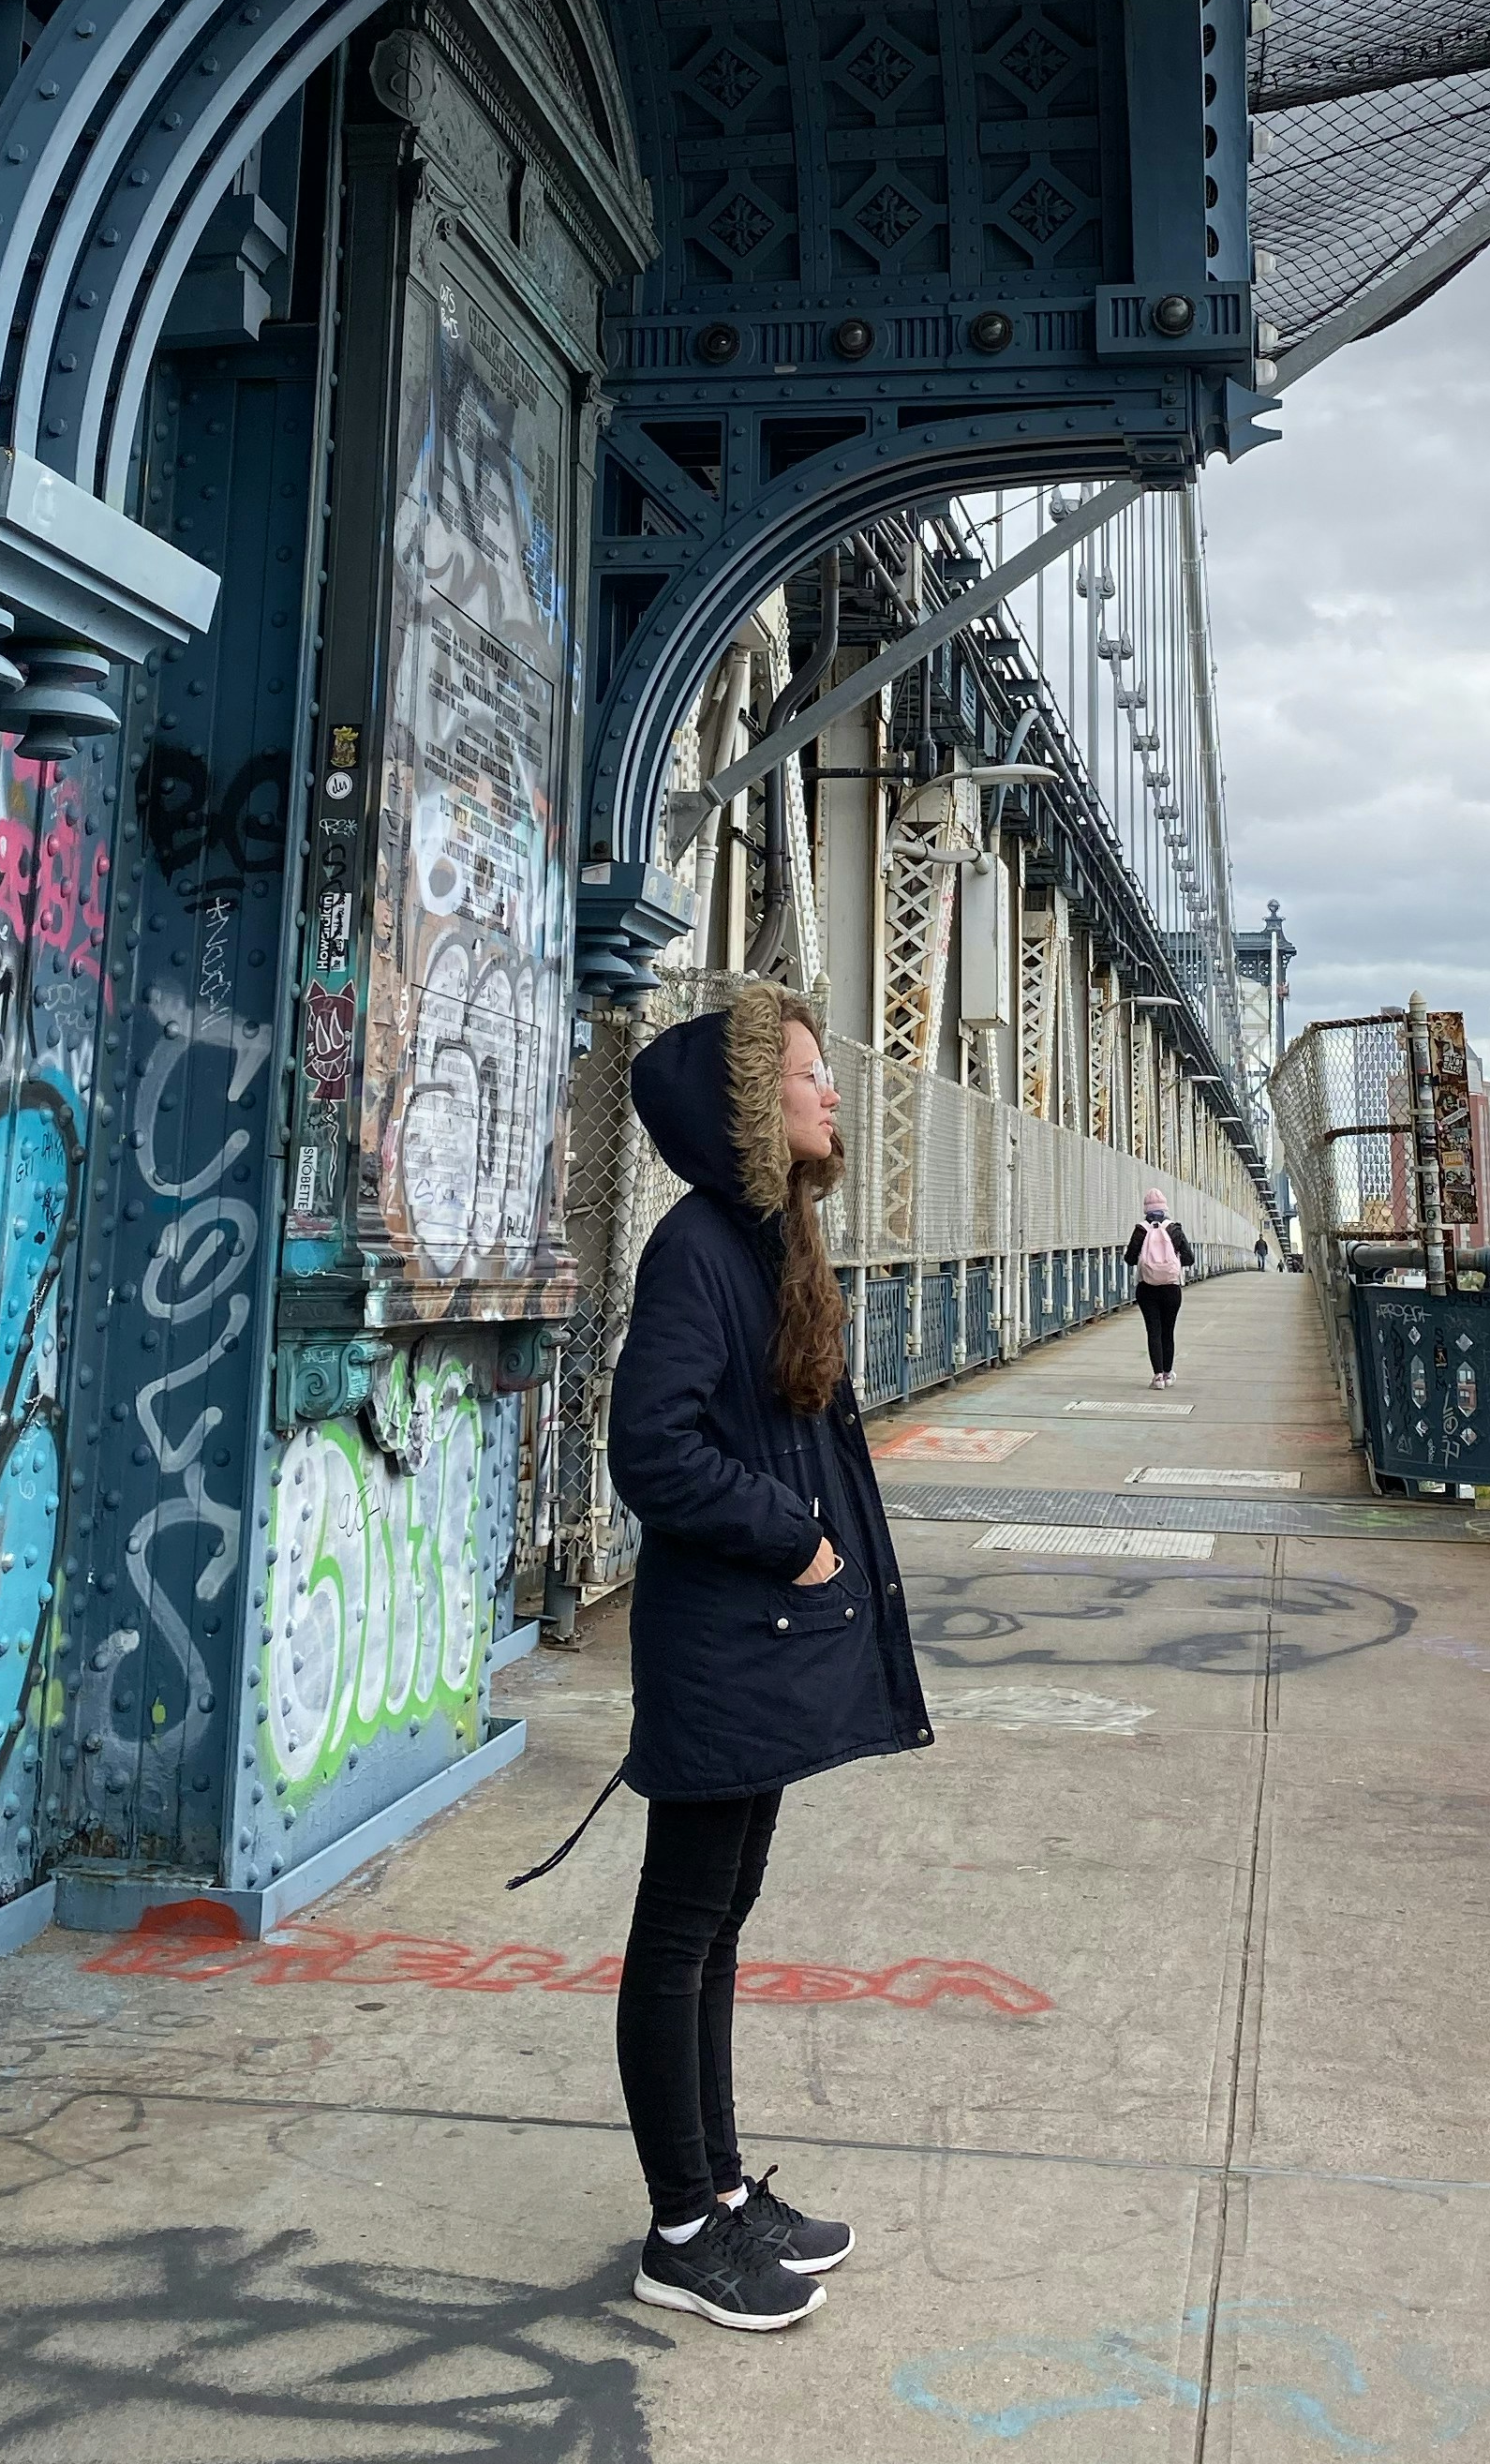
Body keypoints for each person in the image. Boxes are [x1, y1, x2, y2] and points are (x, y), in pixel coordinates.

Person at [604, 980, 932, 2332]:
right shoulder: (698, 1250)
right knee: (680, 1931)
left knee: (721, 1922)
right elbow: (653, 1448)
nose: (831, 1089)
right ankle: (680, 2227)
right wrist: (795, 1538)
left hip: (760, 1643)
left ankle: (726, 2190)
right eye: (808, 1073)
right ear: (755, 1106)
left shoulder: (768, 1240)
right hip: (726, 1640)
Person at [1125, 1187, 1196, 1385]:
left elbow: (1130, 1259)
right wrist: (1169, 1263)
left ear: (1146, 1209)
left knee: (1153, 1331)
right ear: (1164, 1208)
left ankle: (1157, 1376)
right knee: (1168, 1331)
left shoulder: (1140, 1230)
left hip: (1147, 1288)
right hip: (1171, 1288)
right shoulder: (1174, 1229)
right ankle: (1168, 1373)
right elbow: (1189, 1259)